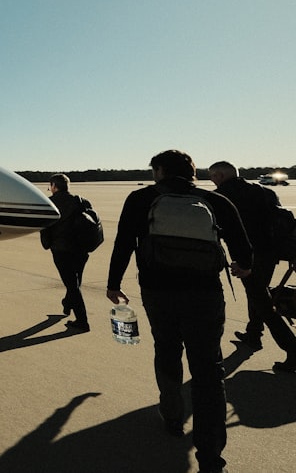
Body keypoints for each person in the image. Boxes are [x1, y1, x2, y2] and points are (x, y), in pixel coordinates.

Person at [107, 150, 251, 473]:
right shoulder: (214, 200)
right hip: (204, 295)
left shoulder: (140, 198)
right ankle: (211, 457)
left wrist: (113, 283)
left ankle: (172, 416)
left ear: (159, 171)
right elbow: (243, 247)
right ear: (192, 172)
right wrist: (244, 267)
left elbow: (123, 243)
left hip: (158, 293)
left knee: (168, 350)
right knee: (209, 370)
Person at [208, 160, 296, 372]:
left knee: (263, 302)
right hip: (271, 254)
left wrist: (238, 260)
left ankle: (292, 349)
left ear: (220, 176)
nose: (212, 180)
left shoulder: (222, 196)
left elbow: (224, 231)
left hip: (248, 256)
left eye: (212, 176)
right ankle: (253, 334)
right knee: (258, 293)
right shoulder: (264, 191)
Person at [40, 174, 93, 331]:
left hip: (62, 250)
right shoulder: (81, 201)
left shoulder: (49, 203)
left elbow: (45, 227)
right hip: (81, 250)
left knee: (72, 285)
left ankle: (82, 321)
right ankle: (68, 303)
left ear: (54, 186)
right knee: (75, 282)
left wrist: (47, 244)